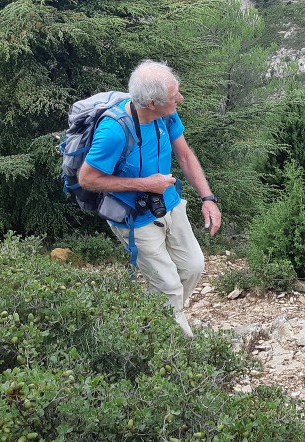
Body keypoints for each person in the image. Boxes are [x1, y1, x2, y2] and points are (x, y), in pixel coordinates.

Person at [78, 59, 221, 338]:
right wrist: (145, 183)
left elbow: (185, 155)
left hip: (168, 204)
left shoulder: (166, 115)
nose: (180, 98)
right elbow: (87, 179)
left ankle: (157, 318)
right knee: (168, 285)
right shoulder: (114, 131)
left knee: (193, 267)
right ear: (152, 103)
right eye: (174, 95)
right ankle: (180, 351)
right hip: (133, 217)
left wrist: (208, 198)